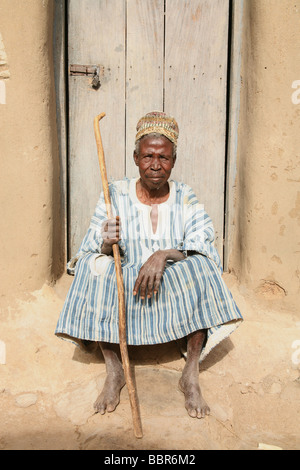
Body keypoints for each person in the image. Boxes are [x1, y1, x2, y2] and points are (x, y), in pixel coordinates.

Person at [55, 111, 243, 419]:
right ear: (135, 157)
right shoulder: (113, 192)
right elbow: (88, 250)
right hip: (127, 285)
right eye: (148, 156)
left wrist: (164, 254)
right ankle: (114, 369)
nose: (156, 165)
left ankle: (190, 374)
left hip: (168, 283)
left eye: (164, 158)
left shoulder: (184, 196)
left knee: (204, 266)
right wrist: (106, 240)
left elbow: (203, 240)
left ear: (174, 160)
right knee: (93, 267)